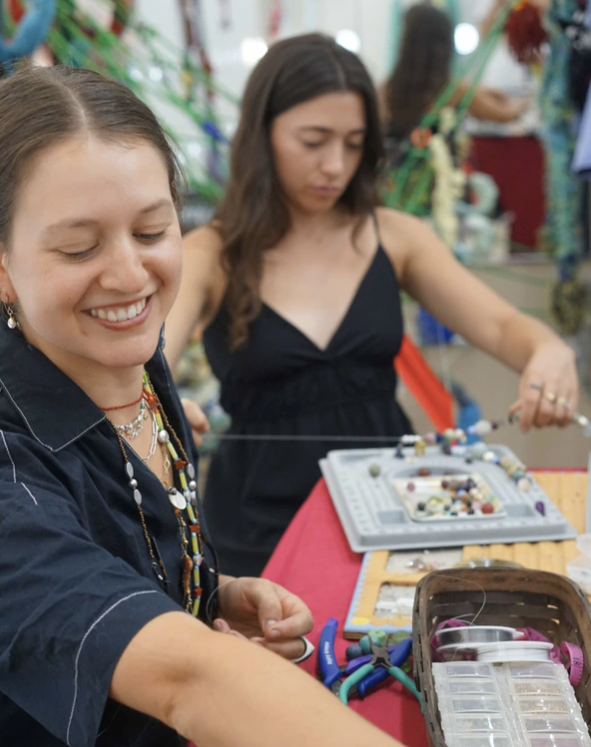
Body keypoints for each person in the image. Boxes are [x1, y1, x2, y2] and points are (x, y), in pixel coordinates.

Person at [0, 65, 583, 747]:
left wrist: (209, 592)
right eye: (79, 248)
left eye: (153, 230)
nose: (128, 273)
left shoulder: (126, 368)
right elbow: (183, 673)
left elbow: (104, 572)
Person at [164, 32, 578, 578]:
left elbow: (502, 326)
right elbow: (148, 368)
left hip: (392, 512)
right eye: (314, 141)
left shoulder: (397, 237)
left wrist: (549, 351)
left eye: (354, 143)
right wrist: (163, 406)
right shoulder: (210, 254)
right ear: (262, 134)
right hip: (257, 532)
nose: (335, 166)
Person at [380, 3, 531, 140]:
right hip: (439, 163)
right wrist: (528, 101)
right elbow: (504, 115)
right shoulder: (451, 91)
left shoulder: (386, 89)